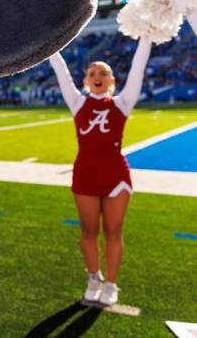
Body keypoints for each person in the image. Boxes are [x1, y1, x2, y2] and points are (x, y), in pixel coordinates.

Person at [49, 38, 152, 306]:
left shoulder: (123, 102)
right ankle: (94, 277)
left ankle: (111, 283)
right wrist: (49, 43)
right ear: (85, 81)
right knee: (88, 231)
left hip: (116, 176)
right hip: (85, 174)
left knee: (114, 232)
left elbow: (138, 67)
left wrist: (148, 33)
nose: (97, 76)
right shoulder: (77, 102)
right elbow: (60, 69)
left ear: (112, 81)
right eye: (92, 73)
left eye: (103, 73)